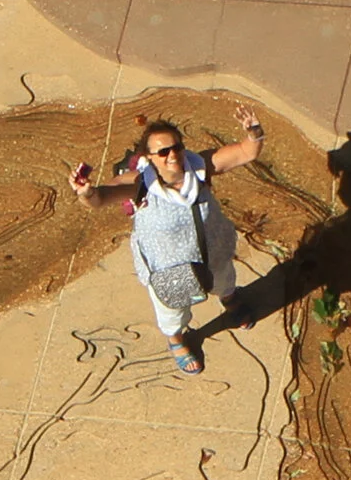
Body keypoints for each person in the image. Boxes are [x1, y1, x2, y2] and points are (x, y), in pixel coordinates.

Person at [67, 105, 265, 375]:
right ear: (149, 157)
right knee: (172, 311)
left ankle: (230, 302)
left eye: (176, 147)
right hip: (168, 267)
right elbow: (100, 197)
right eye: (162, 151)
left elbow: (246, 152)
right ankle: (177, 341)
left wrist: (254, 132)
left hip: (212, 252)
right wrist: (86, 192)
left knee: (224, 281)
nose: (172, 155)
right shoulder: (140, 183)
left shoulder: (199, 167)